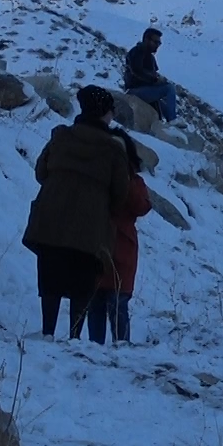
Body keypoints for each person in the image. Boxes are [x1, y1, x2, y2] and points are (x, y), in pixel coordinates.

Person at [23, 85, 130, 338]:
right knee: (82, 286)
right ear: (104, 113)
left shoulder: (61, 137)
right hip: (89, 231)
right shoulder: (113, 150)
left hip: (50, 222)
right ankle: (73, 338)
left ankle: (47, 332)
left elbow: (41, 173)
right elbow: (120, 195)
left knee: (50, 282)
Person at [90, 133, 152, 345]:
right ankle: (94, 349)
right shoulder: (97, 176)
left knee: (118, 304)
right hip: (97, 245)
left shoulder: (134, 181)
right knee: (95, 303)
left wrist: (125, 178)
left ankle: (122, 350)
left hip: (122, 249)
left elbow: (141, 207)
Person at [122, 28, 178, 123]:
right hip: (134, 91)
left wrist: (158, 80)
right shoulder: (137, 51)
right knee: (169, 88)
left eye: (159, 43)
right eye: (156, 42)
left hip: (142, 90)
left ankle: (167, 122)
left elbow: (152, 74)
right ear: (147, 40)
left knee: (163, 103)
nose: (157, 45)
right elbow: (137, 71)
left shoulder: (150, 57)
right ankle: (172, 120)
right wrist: (155, 80)